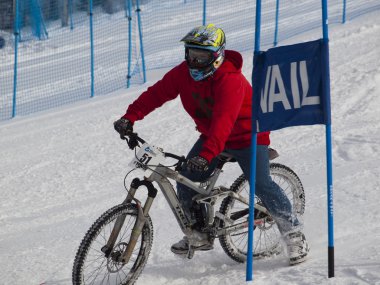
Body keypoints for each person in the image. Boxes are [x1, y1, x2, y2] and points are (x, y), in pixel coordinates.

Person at [114, 24, 309, 265]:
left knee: (261, 183)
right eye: (191, 54)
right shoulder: (182, 73)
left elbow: (223, 121)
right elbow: (157, 93)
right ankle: (198, 233)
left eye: (202, 56)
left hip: (247, 135)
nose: (194, 61)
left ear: (216, 56)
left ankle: (293, 232)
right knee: (185, 179)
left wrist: (207, 154)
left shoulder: (229, 79)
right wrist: (130, 116)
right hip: (212, 136)